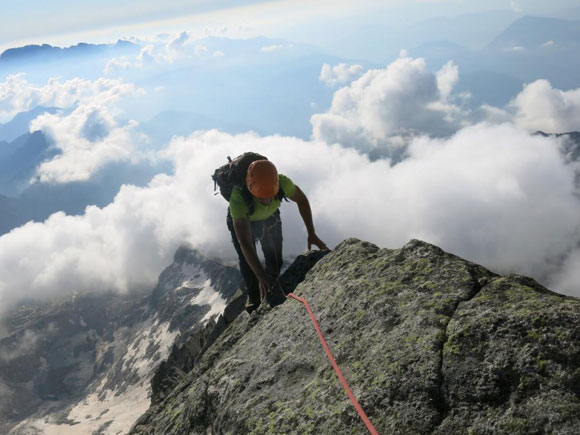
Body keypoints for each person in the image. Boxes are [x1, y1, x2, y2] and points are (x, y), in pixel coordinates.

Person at [226, 159, 327, 313]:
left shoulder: (283, 183)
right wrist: (260, 275)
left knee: (275, 261)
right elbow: (245, 242)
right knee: (248, 265)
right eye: (261, 197)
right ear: (249, 187)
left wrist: (311, 233)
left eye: (270, 196)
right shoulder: (238, 198)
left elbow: (302, 200)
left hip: (269, 218)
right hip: (243, 220)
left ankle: (270, 287)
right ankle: (255, 300)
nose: (266, 200)